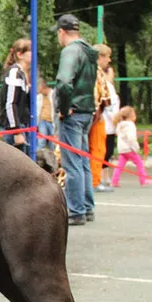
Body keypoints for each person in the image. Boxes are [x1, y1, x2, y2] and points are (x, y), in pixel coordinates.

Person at [54, 14, 97, 226]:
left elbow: (63, 82)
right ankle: (87, 208)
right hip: (87, 111)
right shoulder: (89, 51)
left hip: (72, 112)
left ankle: (76, 210)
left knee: (72, 164)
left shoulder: (70, 51)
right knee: (83, 161)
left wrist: (63, 108)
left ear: (62, 32)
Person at [0, 38, 31, 154]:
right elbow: (10, 103)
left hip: (23, 125)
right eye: (30, 51)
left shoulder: (23, 73)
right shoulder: (14, 73)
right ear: (20, 54)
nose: (34, 54)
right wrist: (16, 131)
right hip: (13, 127)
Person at [90, 44, 115, 193]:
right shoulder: (94, 73)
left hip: (99, 116)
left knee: (100, 149)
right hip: (95, 117)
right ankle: (94, 181)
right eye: (107, 56)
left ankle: (95, 179)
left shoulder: (98, 72)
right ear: (99, 57)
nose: (109, 60)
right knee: (96, 149)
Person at [111, 106, 152, 187]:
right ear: (131, 116)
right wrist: (136, 147)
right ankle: (143, 180)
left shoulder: (120, 125)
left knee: (120, 165)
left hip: (122, 149)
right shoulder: (130, 125)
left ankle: (114, 181)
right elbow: (131, 138)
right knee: (139, 163)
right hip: (129, 148)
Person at [102, 65, 120, 186]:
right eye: (110, 73)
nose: (112, 76)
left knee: (108, 152)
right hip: (106, 125)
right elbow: (109, 108)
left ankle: (105, 176)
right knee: (105, 152)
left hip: (111, 126)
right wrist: (115, 121)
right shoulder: (105, 88)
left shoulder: (111, 88)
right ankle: (102, 177)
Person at [36, 76, 56, 149]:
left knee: (53, 143)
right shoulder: (39, 97)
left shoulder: (53, 95)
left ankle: (53, 158)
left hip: (52, 121)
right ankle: (38, 157)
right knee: (41, 141)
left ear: (42, 86)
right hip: (42, 121)